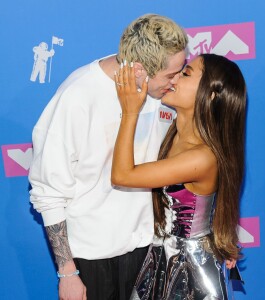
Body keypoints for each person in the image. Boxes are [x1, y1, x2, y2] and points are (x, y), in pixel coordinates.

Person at [29, 14, 188, 300]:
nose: (177, 82)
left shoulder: (164, 95)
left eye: (182, 70)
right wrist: (68, 273)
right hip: (92, 258)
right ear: (139, 70)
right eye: (171, 75)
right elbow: (48, 191)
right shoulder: (77, 98)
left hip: (148, 250)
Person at [111, 53, 246, 299]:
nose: (174, 78)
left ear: (211, 95)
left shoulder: (202, 157)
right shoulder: (172, 130)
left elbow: (122, 175)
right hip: (162, 258)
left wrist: (130, 111)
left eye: (185, 74)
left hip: (190, 272)